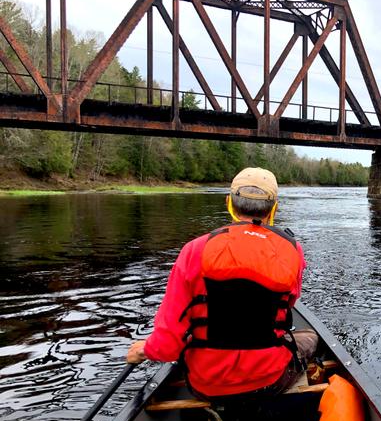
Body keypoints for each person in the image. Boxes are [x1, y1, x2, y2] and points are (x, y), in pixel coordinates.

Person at [126, 167, 318, 400]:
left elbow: (167, 346)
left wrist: (144, 350)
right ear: (274, 208)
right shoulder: (293, 251)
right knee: (309, 338)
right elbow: (289, 303)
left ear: (229, 203)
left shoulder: (193, 250)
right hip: (268, 379)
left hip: (206, 384)